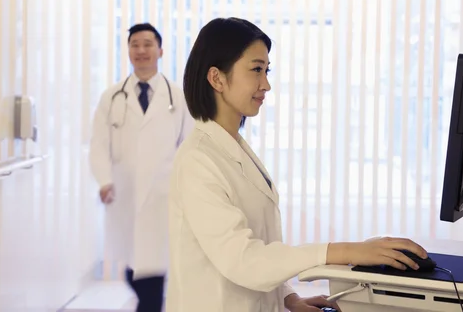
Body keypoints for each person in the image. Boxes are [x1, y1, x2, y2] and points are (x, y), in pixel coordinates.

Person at [166, 17, 429, 312]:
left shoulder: (232, 147)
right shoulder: (197, 161)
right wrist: (347, 251)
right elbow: (244, 260)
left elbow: (260, 245)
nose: (265, 84)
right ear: (217, 78)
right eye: (256, 70)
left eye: (267, 71)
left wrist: (289, 299)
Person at [89, 23, 193, 312]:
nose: (141, 50)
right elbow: (98, 144)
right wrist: (104, 180)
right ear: (128, 51)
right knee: (135, 267)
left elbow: (189, 145)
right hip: (125, 193)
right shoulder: (111, 97)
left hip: (164, 194)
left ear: (160, 50)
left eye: (148, 44)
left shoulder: (178, 97)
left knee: (153, 271)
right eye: (135, 44)